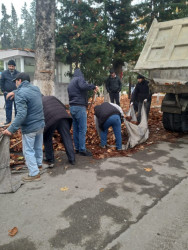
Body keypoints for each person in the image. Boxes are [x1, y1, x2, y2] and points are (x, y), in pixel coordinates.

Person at [3, 73, 45, 182]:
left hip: (30, 127)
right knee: (37, 147)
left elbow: (21, 115)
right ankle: (39, 165)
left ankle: (34, 173)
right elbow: (27, 91)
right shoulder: (36, 89)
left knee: (28, 151)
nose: (15, 84)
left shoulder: (21, 93)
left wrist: (10, 129)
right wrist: (14, 92)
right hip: (40, 125)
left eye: (15, 81)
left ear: (19, 80)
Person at [67, 68, 99, 156]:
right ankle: (82, 149)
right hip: (79, 108)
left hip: (72, 107)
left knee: (76, 129)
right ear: (81, 74)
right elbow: (83, 86)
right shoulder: (79, 79)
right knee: (82, 129)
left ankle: (77, 148)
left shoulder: (71, 82)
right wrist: (93, 86)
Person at [42, 96, 75, 166]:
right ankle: (72, 159)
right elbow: (64, 106)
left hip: (50, 119)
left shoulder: (38, 102)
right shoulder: (52, 97)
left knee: (47, 138)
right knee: (67, 137)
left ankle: (50, 158)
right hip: (63, 116)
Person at [0, 60, 19, 125]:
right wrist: (3, 91)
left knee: (17, 107)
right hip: (7, 93)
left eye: (12, 66)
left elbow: (20, 83)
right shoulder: (4, 73)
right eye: (10, 66)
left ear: (14, 67)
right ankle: (8, 121)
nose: (11, 67)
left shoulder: (18, 73)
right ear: (8, 66)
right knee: (8, 107)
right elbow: (1, 82)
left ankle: (17, 121)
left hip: (16, 94)